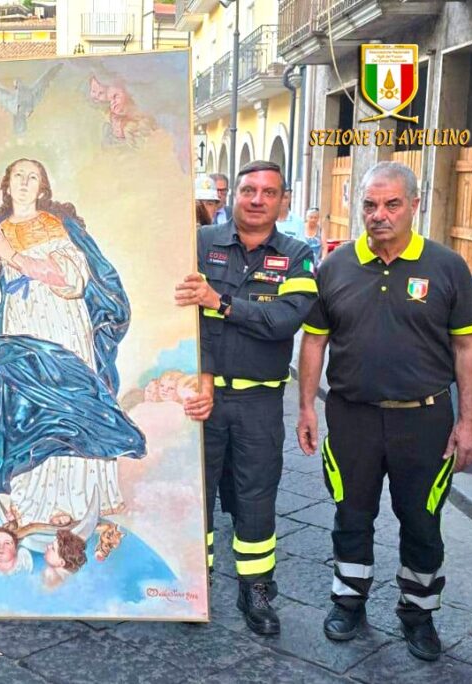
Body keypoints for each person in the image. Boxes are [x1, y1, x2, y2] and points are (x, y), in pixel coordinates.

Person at [297, 161, 472, 662]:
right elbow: (315, 340)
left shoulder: (447, 267)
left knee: (422, 522)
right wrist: (306, 408)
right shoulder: (334, 266)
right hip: (351, 417)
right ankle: (348, 602)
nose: (379, 215)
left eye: (392, 204)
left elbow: (467, 348)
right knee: (350, 516)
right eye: (370, 205)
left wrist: (469, 422)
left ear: (415, 205)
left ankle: (418, 614)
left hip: (424, 422)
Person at [0, 157, 146, 530]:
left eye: (33, 177)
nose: (24, 182)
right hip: (21, 329)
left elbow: (71, 278)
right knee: (28, 408)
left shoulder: (57, 226)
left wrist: (14, 257)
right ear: (7, 185)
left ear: (43, 188)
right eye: (18, 176)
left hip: (63, 328)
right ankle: (35, 502)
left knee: (70, 403)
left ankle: (78, 499)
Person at [174, 160, 317, 636]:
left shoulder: (298, 255)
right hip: (201, 396)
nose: (257, 199)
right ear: (232, 194)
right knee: (196, 494)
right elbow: (184, 320)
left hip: (259, 403)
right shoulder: (198, 244)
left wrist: (222, 303)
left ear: (283, 201)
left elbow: (285, 320)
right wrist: (206, 372)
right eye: (248, 190)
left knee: (257, 498)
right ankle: (194, 588)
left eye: (269, 192)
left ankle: (255, 590)